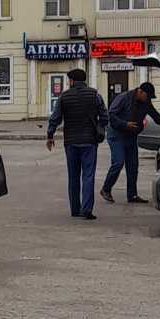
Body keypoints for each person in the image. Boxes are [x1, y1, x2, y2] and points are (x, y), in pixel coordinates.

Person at [45, 67, 108, 220]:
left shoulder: (64, 97)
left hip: (71, 142)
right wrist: (99, 128)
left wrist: (50, 135)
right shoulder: (95, 95)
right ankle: (87, 209)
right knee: (88, 175)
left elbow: (55, 118)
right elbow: (105, 116)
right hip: (89, 142)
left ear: (72, 81)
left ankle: (75, 209)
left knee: (73, 176)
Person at [102, 81, 160, 205]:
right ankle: (106, 189)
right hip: (116, 135)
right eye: (147, 96)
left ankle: (132, 195)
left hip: (131, 136)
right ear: (140, 92)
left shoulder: (146, 102)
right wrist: (125, 124)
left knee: (133, 167)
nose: (148, 100)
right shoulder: (123, 98)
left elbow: (155, 114)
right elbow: (111, 115)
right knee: (118, 162)